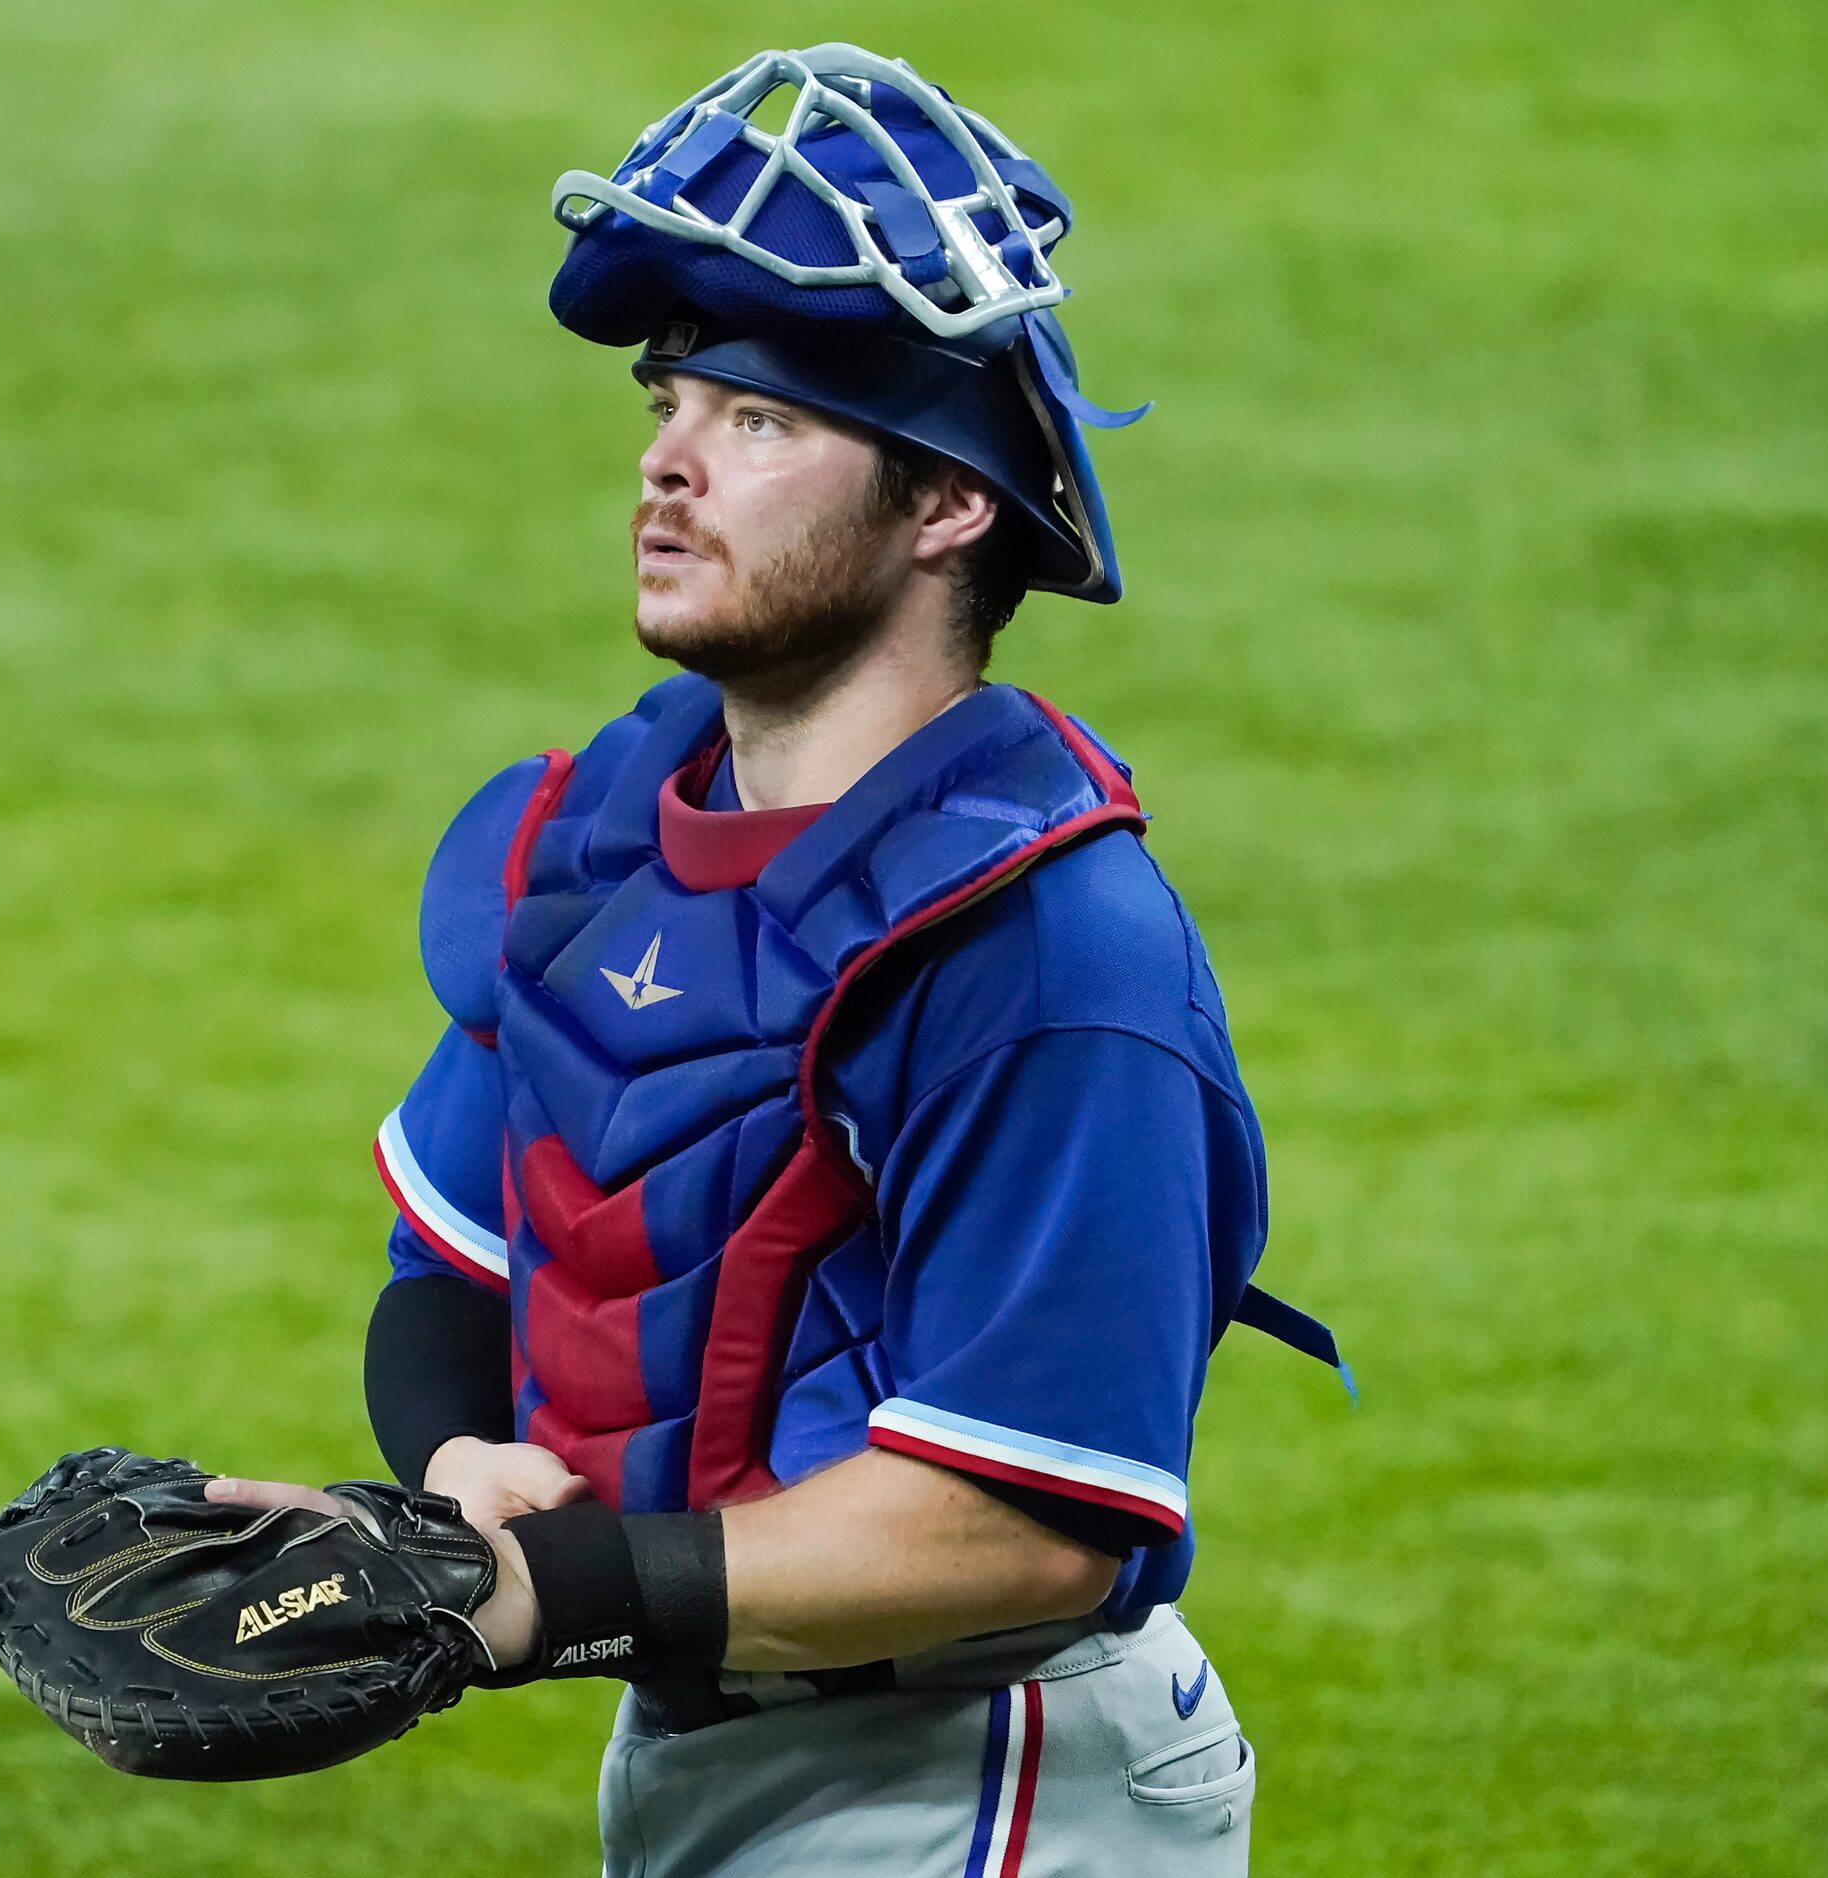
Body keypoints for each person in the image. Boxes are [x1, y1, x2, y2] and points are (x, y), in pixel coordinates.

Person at [208, 44, 1341, 1876]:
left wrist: (541, 1591)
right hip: (709, 1737)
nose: (664, 461)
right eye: (668, 401)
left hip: (983, 1773)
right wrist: (442, 1501)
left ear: (947, 503)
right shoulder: (604, 839)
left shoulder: (1041, 947)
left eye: (756, 419)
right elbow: (460, 1270)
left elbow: (1029, 1521)